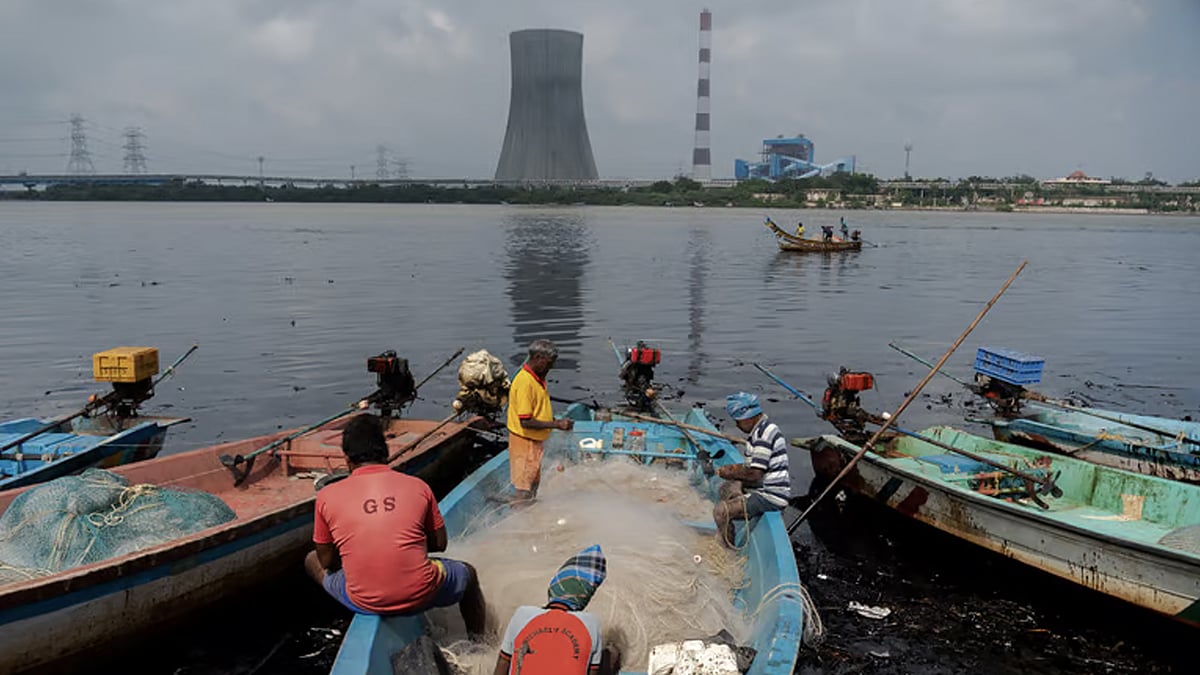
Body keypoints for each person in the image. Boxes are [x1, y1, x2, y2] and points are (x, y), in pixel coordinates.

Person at [305, 414, 487, 637]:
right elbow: (440, 544)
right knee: (468, 574)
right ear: (387, 453)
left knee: (311, 560)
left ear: (347, 460)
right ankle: (478, 642)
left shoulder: (326, 496)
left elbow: (326, 561)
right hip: (423, 593)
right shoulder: (418, 486)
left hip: (363, 600)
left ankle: (342, 617)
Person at [492, 545, 621, 675]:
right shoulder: (591, 622)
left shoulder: (522, 614)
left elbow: (502, 664)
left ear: (553, 587)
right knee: (612, 653)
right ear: (585, 598)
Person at [713, 392, 790, 548]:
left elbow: (755, 474)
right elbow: (752, 467)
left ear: (748, 417)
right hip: (762, 486)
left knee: (721, 511)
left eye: (738, 421)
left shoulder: (763, 434)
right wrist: (734, 470)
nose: (737, 426)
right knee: (726, 488)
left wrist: (730, 472)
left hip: (771, 495)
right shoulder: (760, 430)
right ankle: (738, 506)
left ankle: (727, 550)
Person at [507, 339, 573, 500]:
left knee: (533, 484)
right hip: (524, 442)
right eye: (549, 363)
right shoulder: (525, 382)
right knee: (524, 488)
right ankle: (519, 517)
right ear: (537, 358)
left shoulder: (538, 378)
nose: (551, 367)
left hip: (534, 442)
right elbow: (526, 421)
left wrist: (552, 420)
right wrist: (556, 424)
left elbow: (536, 409)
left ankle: (529, 512)